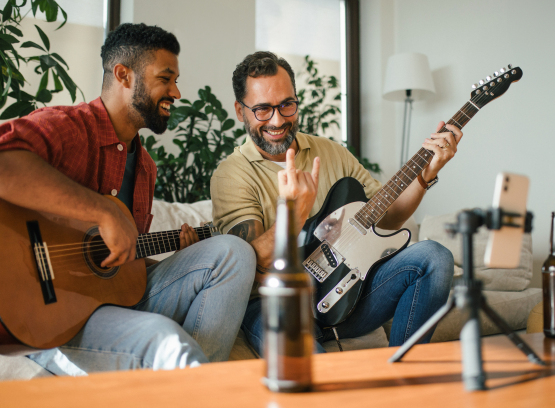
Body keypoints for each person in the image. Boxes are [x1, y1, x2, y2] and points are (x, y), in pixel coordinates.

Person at [0, 23, 255, 375]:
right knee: (164, 339)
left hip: (108, 303)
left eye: (176, 80)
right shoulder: (68, 127)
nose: (176, 93)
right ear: (123, 75)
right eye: (165, 79)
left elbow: (118, 265)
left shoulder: (145, 168)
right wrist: (104, 210)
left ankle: (193, 385)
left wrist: (182, 258)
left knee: (234, 251)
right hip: (46, 317)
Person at [210, 51, 458, 355]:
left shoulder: (331, 152)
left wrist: (424, 177)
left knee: (434, 256)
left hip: (349, 293)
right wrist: (296, 211)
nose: (277, 120)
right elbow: (251, 262)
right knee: (307, 365)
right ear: (240, 110)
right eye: (262, 109)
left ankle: (404, 377)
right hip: (273, 303)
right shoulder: (231, 174)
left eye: (287, 105)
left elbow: (386, 218)